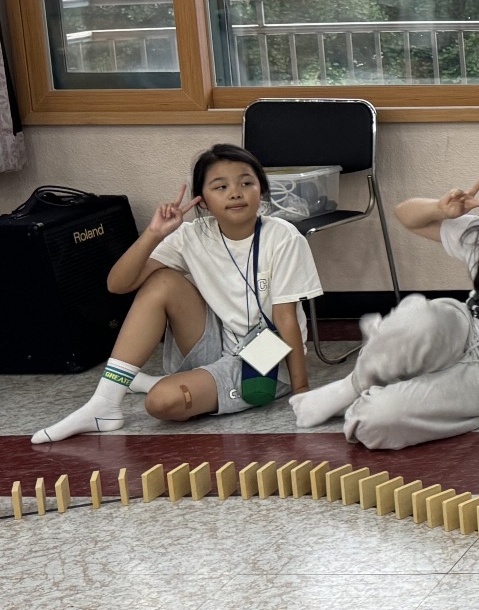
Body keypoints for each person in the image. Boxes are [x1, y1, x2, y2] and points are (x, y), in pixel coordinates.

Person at [287, 142, 479, 450]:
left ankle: (395, 370)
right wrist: (441, 209)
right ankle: (353, 385)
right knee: (418, 318)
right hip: (462, 329)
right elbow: (404, 214)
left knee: (372, 421)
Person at [35, 144, 320, 442]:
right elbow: (117, 285)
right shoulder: (191, 234)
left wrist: (301, 392)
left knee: (162, 402)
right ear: (203, 201)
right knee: (162, 281)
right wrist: (154, 234)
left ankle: (163, 384)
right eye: (221, 186)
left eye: (246, 183)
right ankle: (104, 403)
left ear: (261, 191)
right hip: (217, 341)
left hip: (267, 358)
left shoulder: (284, 237)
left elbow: (285, 319)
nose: (236, 193)